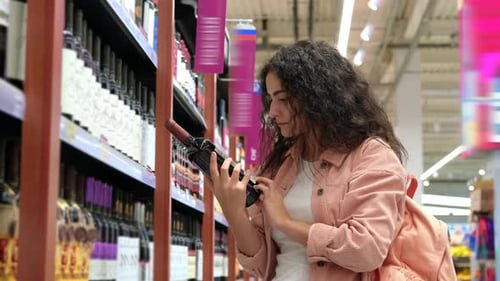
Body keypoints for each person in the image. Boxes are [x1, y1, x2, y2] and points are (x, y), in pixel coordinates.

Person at [209, 40, 409, 281]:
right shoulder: (280, 165)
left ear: (317, 97)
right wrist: (234, 212)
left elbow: (366, 250)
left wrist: (285, 222)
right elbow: (262, 267)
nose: (272, 111)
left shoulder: (371, 156)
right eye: (271, 99)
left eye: (283, 99)